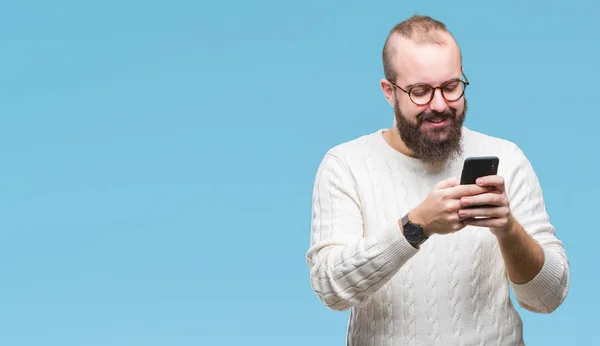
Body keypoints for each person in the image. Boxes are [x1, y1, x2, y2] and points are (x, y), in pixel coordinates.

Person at [306, 14, 569, 345]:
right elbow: (331, 289)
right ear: (389, 92)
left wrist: (508, 229)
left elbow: (548, 298)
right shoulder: (345, 165)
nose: (440, 104)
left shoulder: (508, 158)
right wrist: (415, 227)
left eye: (451, 87)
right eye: (420, 92)